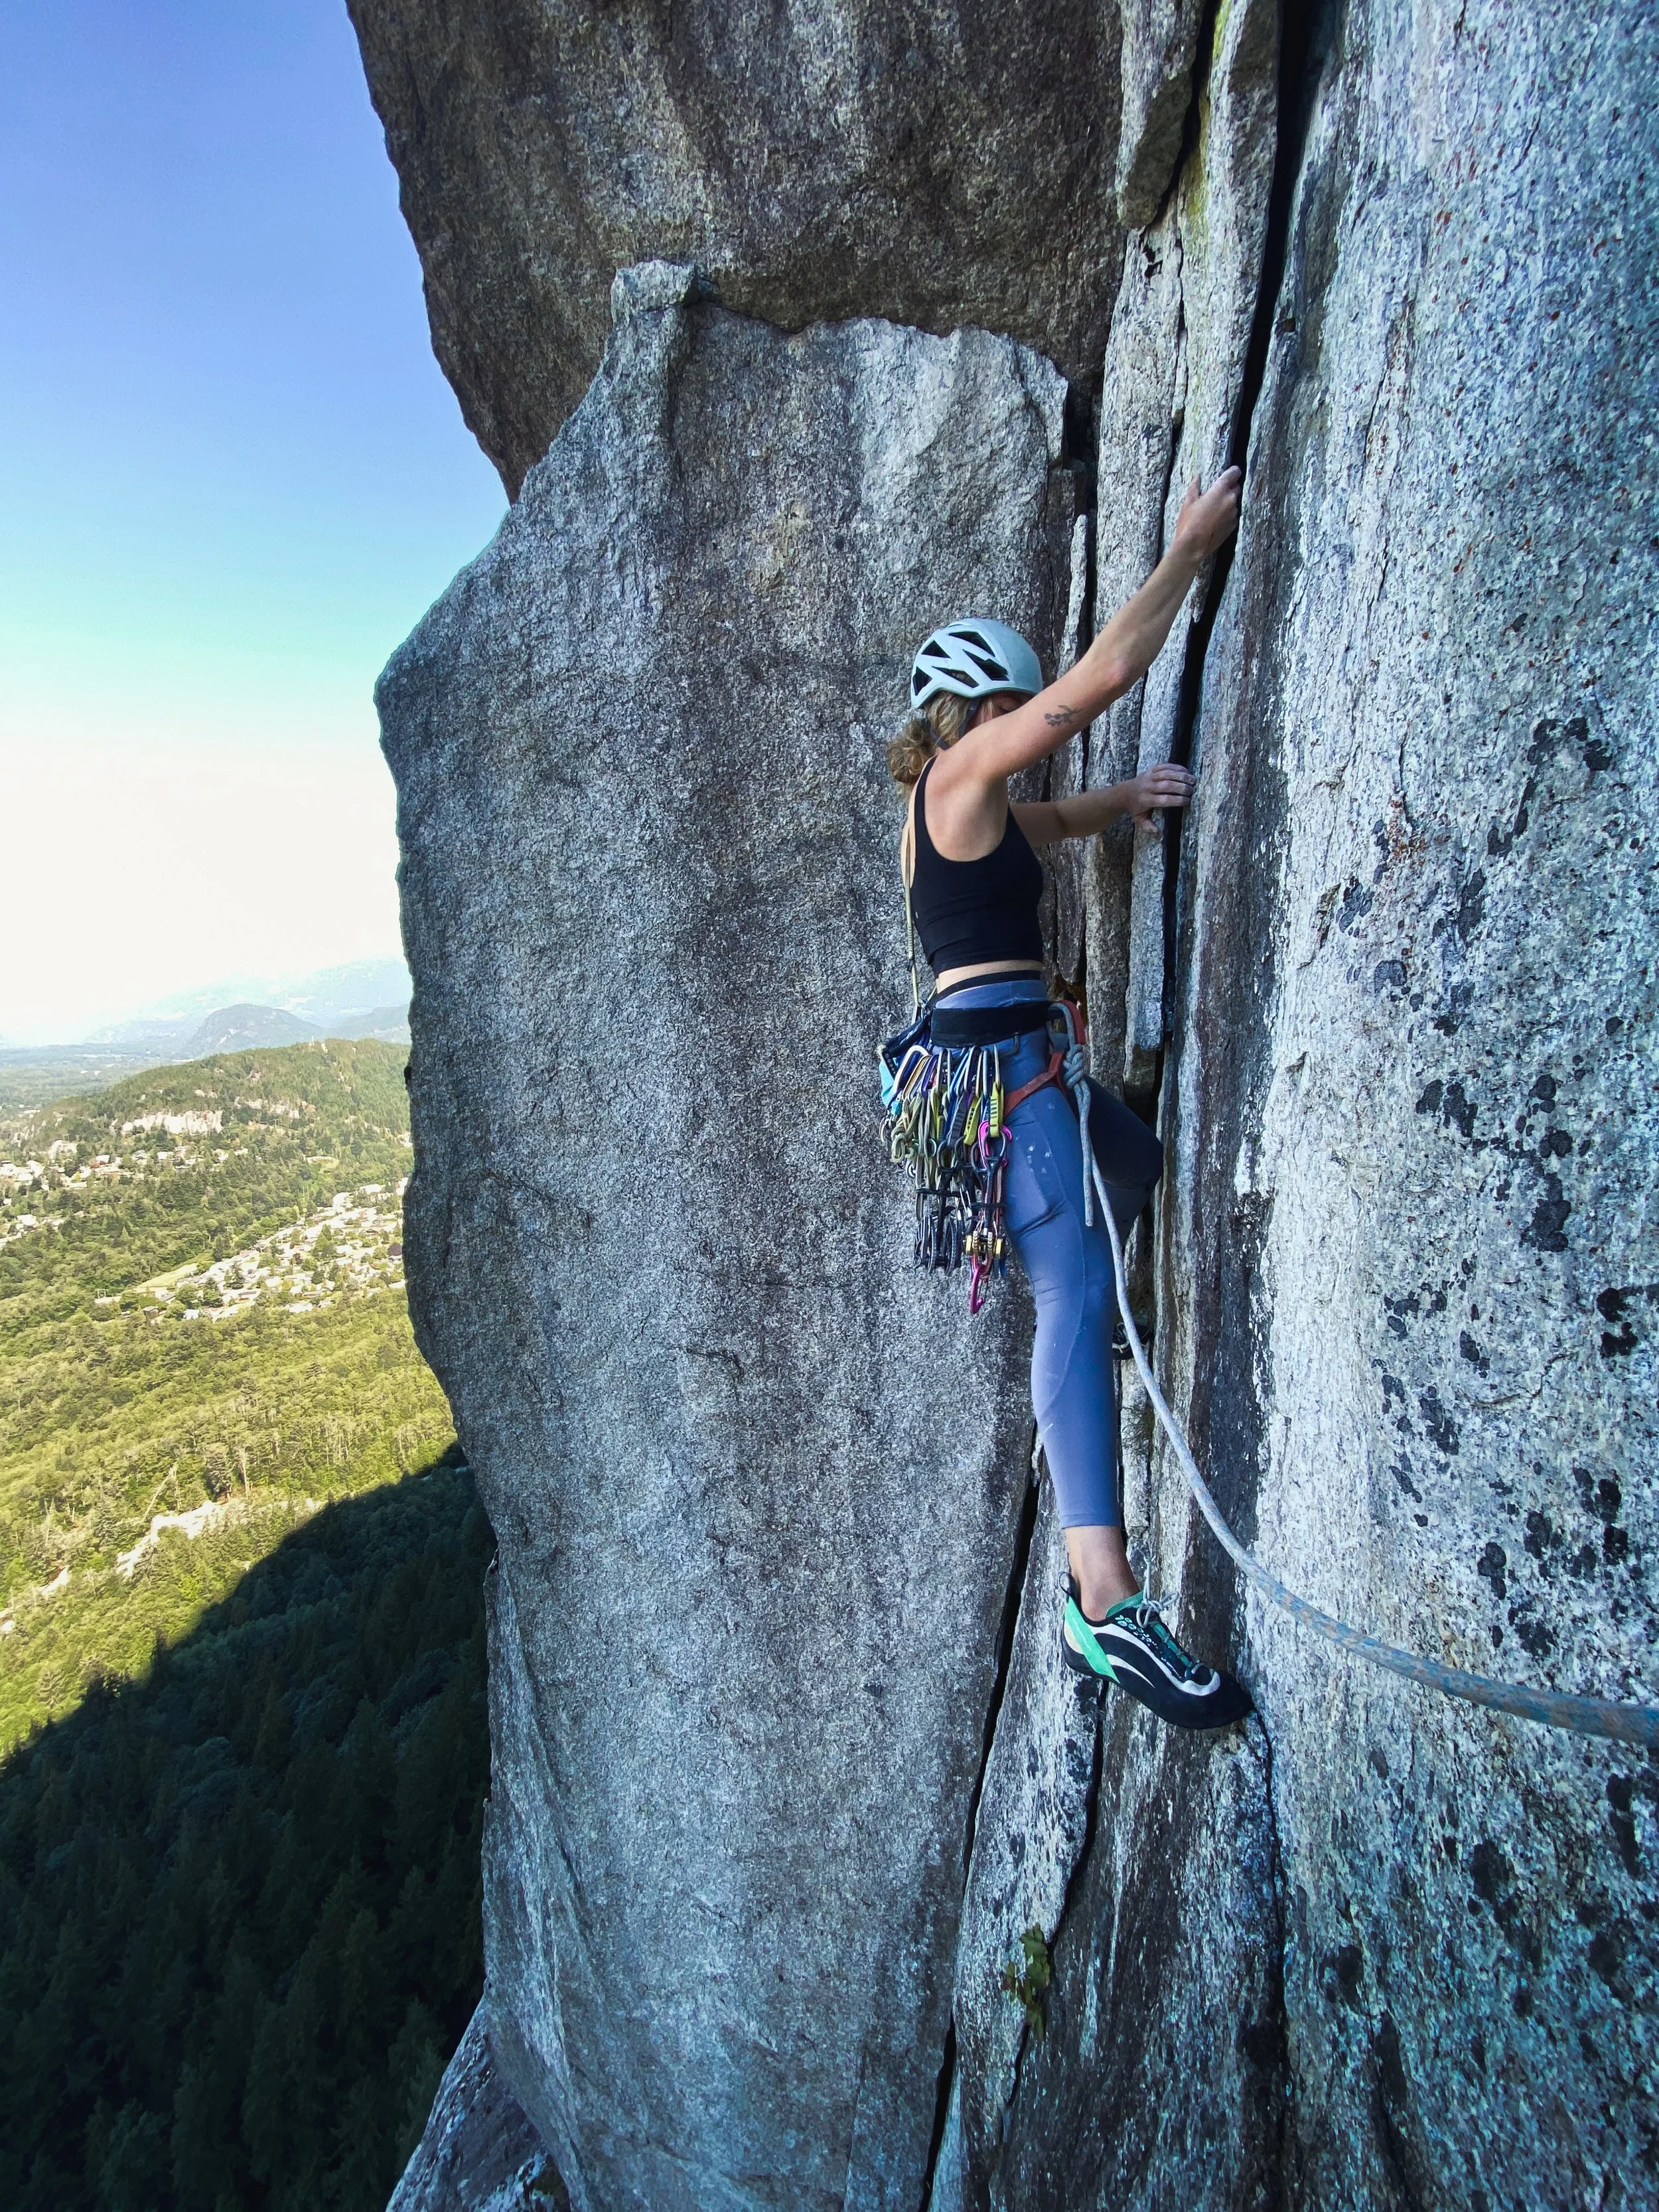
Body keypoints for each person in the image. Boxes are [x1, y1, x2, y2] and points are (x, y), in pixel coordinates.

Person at [888, 468, 1251, 1728]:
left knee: (1131, 1164)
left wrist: (1127, 805)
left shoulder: (954, 814)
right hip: (1007, 1077)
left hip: (1002, 1071)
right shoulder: (962, 769)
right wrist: (1188, 550)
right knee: (1075, 1291)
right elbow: (1094, 683)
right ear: (974, 706)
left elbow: (1059, 818)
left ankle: (1092, 1368)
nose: (1014, 722)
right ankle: (1105, 1606)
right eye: (1002, 707)